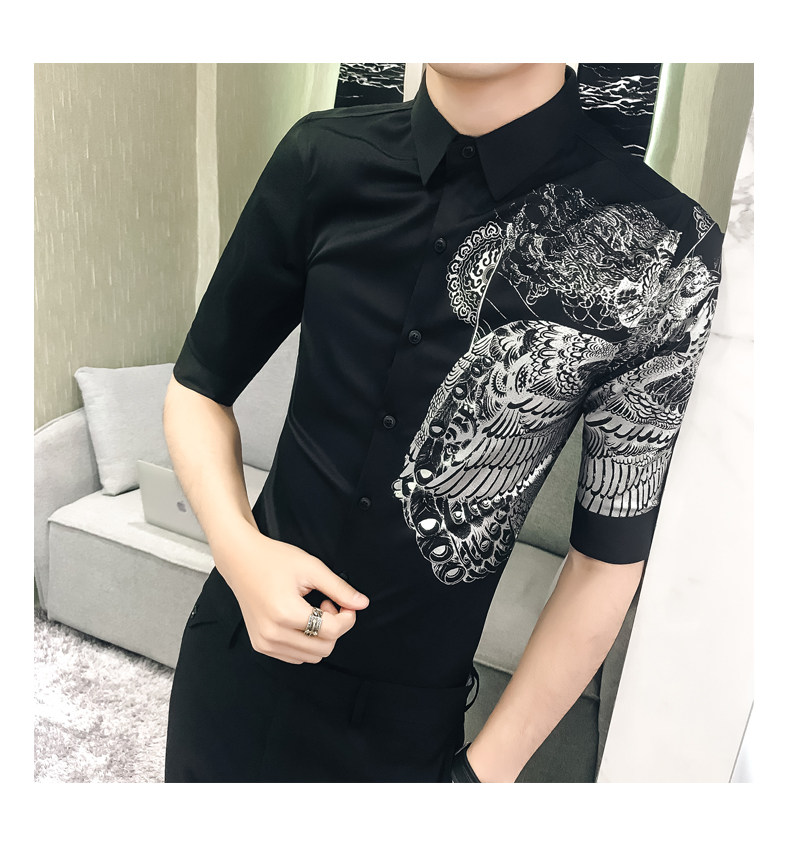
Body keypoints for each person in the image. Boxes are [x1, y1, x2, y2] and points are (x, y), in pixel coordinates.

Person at [163, 63, 724, 783]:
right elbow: (198, 387)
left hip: (406, 729)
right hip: (231, 661)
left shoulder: (672, 249)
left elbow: (605, 560)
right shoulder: (323, 156)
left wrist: (483, 781)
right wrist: (240, 551)